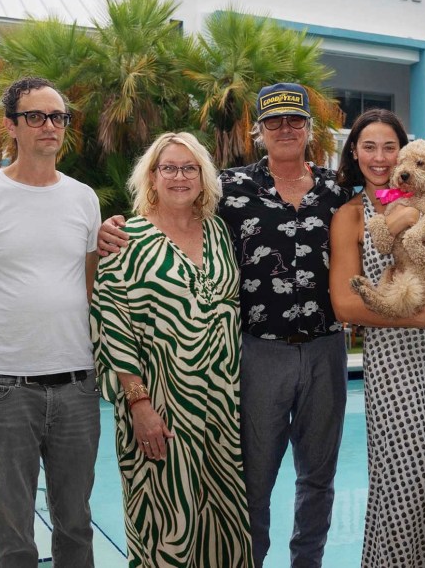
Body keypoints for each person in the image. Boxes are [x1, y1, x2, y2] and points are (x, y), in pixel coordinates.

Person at [97, 83, 351, 567]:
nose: (285, 129)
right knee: (252, 480)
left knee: (318, 479)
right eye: (273, 122)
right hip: (259, 354)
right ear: (258, 132)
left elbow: (386, 197)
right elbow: (165, 217)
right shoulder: (231, 191)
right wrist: (109, 230)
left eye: (295, 121)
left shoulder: (337, 189)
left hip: (326, 349)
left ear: (310, 130)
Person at [0, 77, 101, 567]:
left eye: (57, 117)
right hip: (4, 391)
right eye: (36, 116)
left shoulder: (83, 199)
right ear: (12, 125)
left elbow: (91, 291)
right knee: (12, 534)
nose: (49, 126)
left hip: (76, 387)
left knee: (75, 524)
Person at [91, 132, 252, 567]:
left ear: (204, 177)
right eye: (169, 168)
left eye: (189, 168)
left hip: (221, 407)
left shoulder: (219, 232)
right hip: (159, 405)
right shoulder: (127, 238)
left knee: (223, 523)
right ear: (152, 177)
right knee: (166, 521)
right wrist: (138, 404)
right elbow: (112, 325)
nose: (179, 176)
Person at [328, 109, 425, 567]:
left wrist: (409, 217)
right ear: (355, 152)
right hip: (391, 355)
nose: (380, 156)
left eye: (390, 147)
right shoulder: (350, 216)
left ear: (404, 153)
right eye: (368, 146)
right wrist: (413, 321)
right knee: (402, 476)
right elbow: (346, 307)